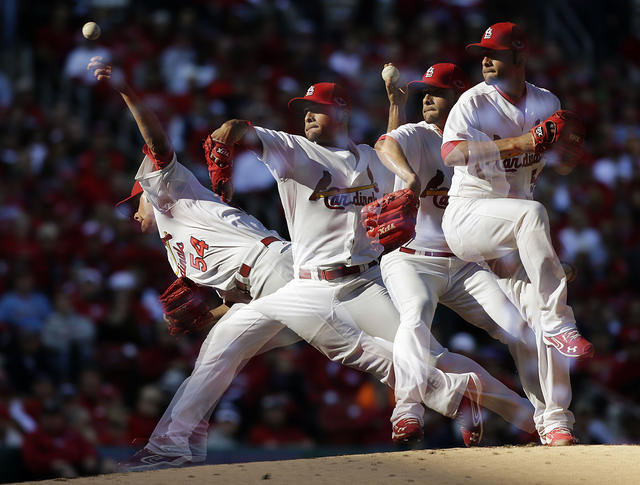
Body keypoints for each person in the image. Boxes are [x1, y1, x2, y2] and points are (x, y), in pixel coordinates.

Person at [88, 58, 532, 468]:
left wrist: (394, 108)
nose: (307, 115)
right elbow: (243, 129)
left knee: (432, 353)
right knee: (220, 348)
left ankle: (527, 418)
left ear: (341, 113)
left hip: (362, 282)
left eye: (317, 108)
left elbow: (391, 152)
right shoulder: (294, 150)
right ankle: (169, 447)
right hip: (302, 286)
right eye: (304, 109)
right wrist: (228, 133)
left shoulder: (375, 159)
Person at [376, 61, 570, 445]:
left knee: (521, 329)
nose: (427, 99)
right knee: (414, 316)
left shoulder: (484, 143)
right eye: (424, 93)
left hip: (466, 265)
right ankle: (408, 411)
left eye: (436, 92)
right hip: (412, 257)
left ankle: (540, 420)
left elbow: (518, 202)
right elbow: (386, 143)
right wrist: (409, 176)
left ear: (460, 96)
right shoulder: (420, 133)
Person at [440, 22, 593, 445]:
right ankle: (558, 317)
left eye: (496, 52)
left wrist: (565, 156)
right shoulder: (473, 101)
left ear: (520, 57)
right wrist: (521, 143)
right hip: (470, 217)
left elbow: (557, 159)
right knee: (532, 217)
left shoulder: (546, 101)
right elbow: (451, 153)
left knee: (530, 330)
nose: (486, 59)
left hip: (513, 227)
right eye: (483, 52)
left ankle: (555, 420)